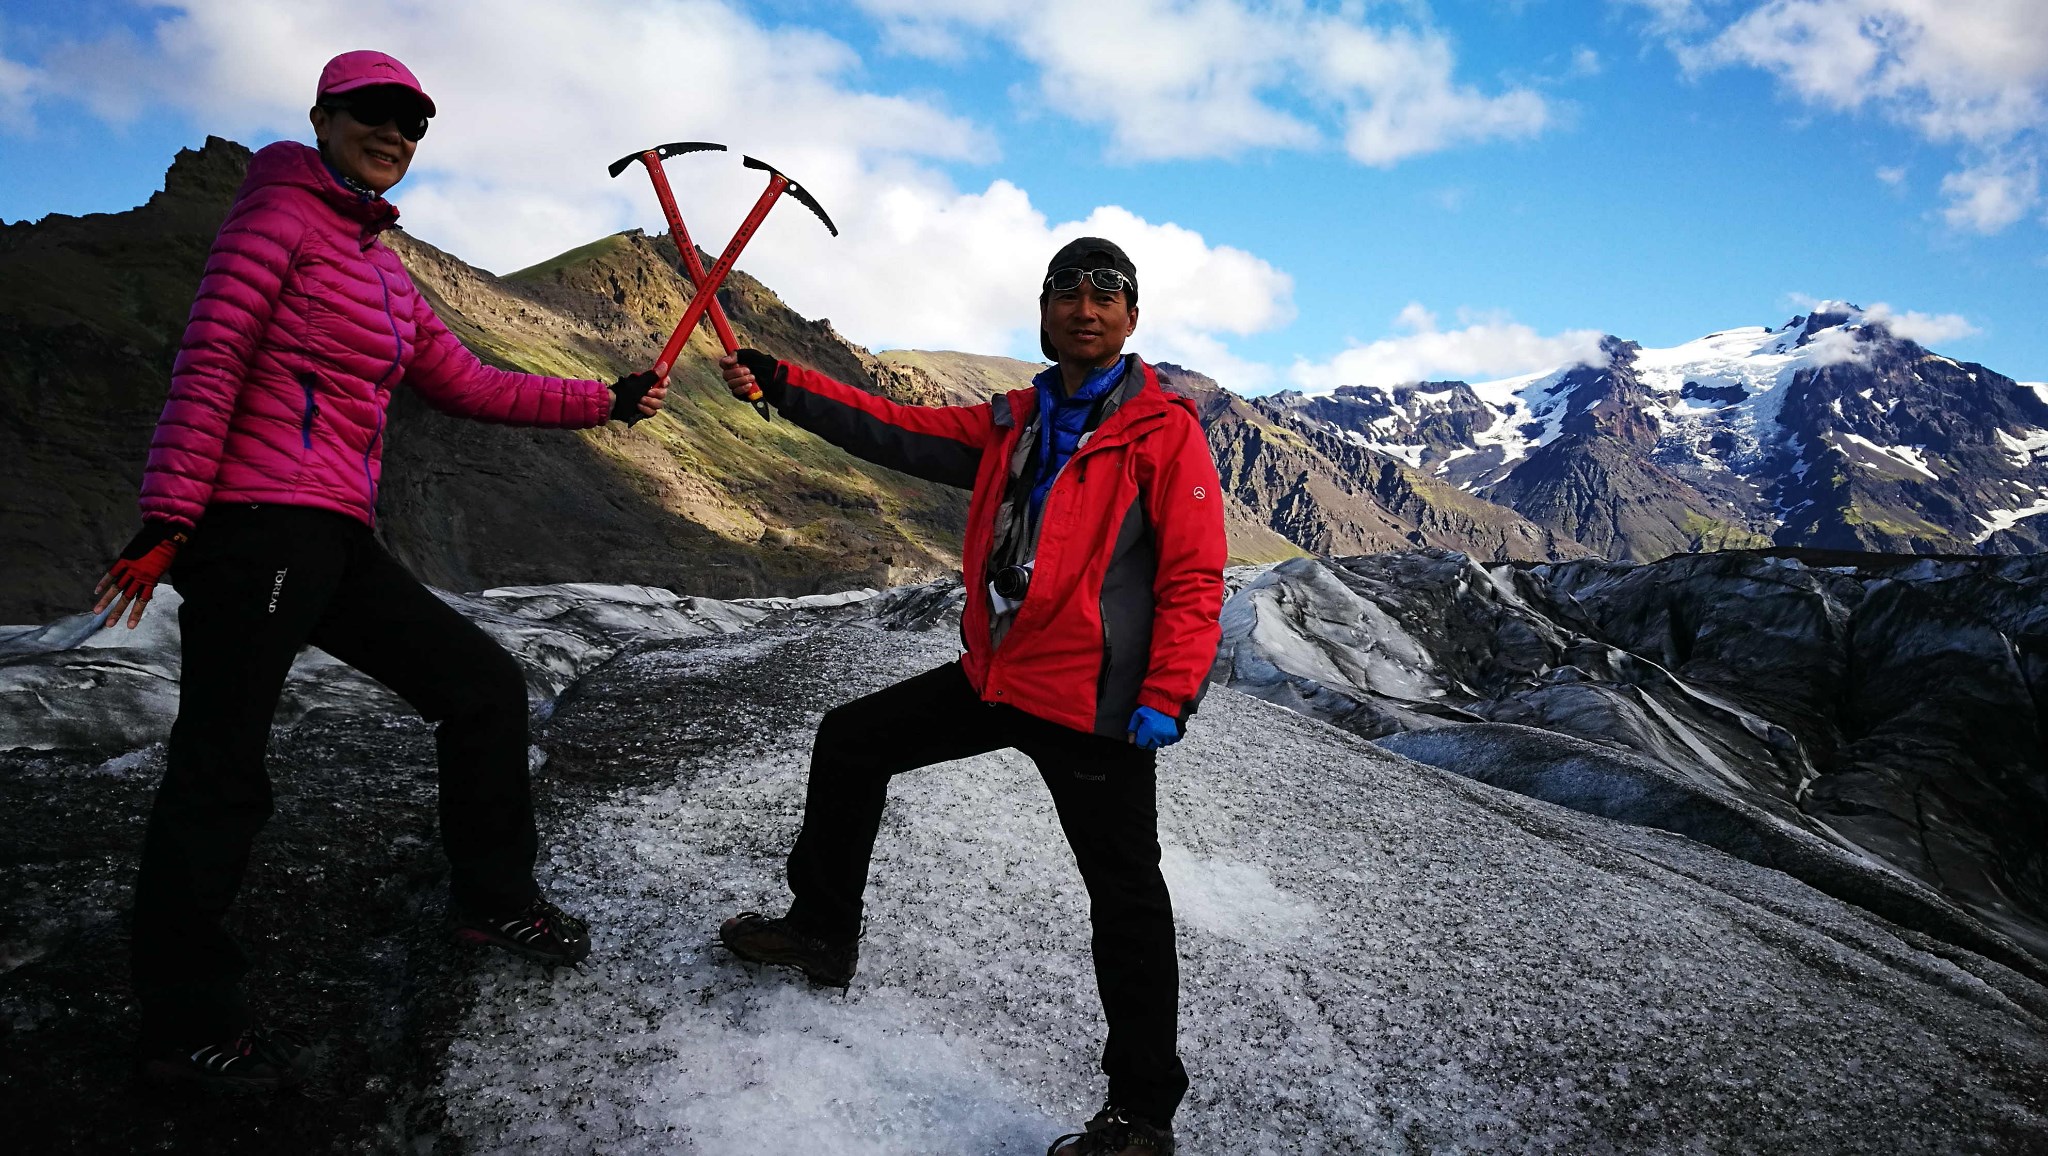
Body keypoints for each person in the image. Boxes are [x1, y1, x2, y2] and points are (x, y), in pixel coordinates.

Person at [94, 50, 665, 1092]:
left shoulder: (380, 267)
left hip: (334, 536)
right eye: (375, 114)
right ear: (322, 116)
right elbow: (211, 355)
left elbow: (470, 382)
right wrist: (169, 515)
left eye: (413, 123)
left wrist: (605, 402)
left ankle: (492, 897)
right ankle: (181, 1020)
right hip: (252, 527)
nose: (395, 133)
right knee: (221, 770)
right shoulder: (276, 220)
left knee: (482, 687)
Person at [715, 238, 1226, 1156]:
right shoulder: (1012, 421)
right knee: (852, 740)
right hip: (1002, 677)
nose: (1085, 307)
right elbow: (892, 428)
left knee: (1127, 901)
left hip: (1096, 708)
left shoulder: (1165, 432)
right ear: (1043, 313)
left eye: (1107, 295)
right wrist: (784, 385)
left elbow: (1193, 577)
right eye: (1067, 292)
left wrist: (1169, 692)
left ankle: (1143, 1114)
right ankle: (822, 932)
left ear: (1132, 319)